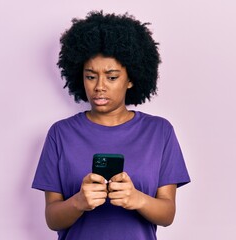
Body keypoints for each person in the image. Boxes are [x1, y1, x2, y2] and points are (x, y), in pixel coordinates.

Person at [32, 11, 190, 240]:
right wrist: (78, 202)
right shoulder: (61, 133)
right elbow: (52, 218)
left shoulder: (160, 132)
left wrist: (138, 199)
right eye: (90, 76)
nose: (99, 86)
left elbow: (167, 215)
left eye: (112, 77)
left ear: (131, 79)